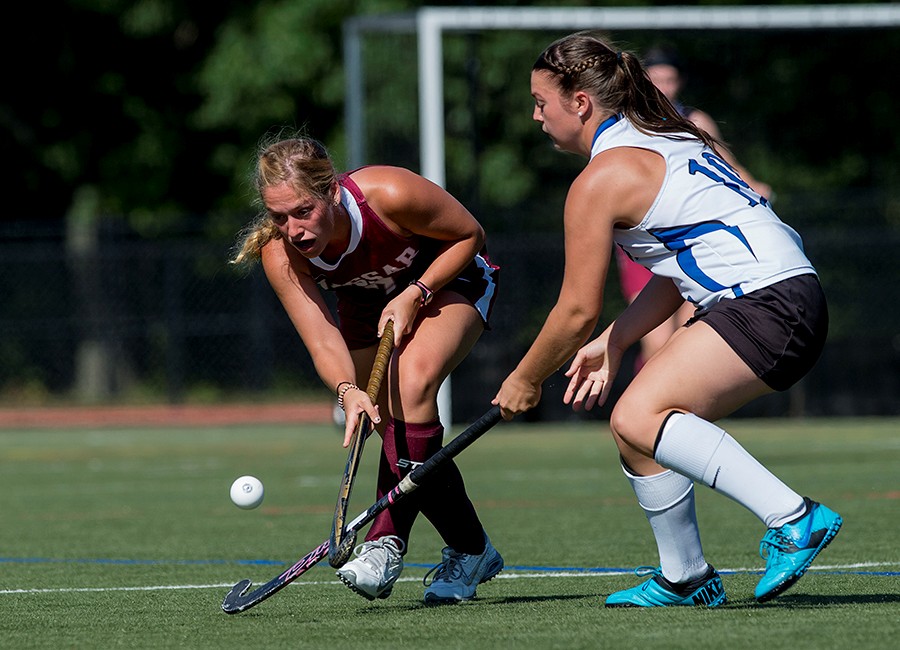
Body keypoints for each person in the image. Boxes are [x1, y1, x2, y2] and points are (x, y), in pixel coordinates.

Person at [493, 32, 842, 607]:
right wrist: (618, 338)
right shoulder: (660, 137)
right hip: (785, 295)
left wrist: (526, 378)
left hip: (766, 303)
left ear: (580, 102)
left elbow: (575, 309)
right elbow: (677, 266)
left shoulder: (601, 178)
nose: (536, 115)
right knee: (636, 426)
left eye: (540, 101)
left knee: (638, 413)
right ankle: (686, 576)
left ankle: (793, 517)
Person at [231, 133, 503, 604]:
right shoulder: (281, 254)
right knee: (392, 425)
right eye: (278, 216)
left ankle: (384, 542)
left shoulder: (389, 194)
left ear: (332, 192)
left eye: (303, 211)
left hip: (447, 279)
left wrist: (415, 291)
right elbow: (320, 337)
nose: (293, 229)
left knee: (410, 382)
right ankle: (472, 548)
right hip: (365, 307)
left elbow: (470, 235)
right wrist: (346, 390)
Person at [616, 44, 773, 373]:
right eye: (656, 78)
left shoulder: (694, 121)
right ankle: (645, 409)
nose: (663, 86)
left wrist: (753, 187)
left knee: (687, 336)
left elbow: (725, 165)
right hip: (649, 241)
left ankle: (671, 408)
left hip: (691, 240)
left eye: (670, 79)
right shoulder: (628, 123)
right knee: (656, 341)